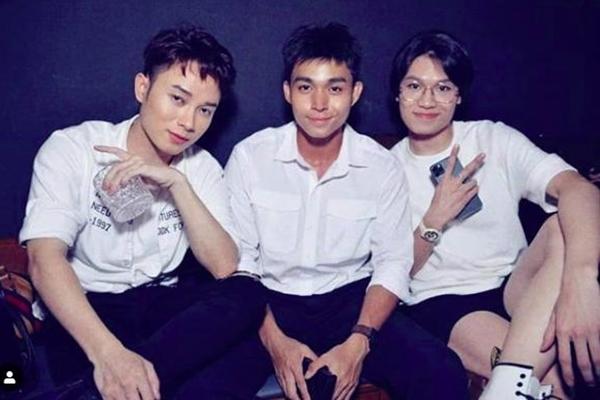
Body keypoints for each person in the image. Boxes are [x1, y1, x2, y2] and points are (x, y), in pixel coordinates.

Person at [177, 23, 469, 400]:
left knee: (441, 372)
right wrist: (275, 342)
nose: (319, 103)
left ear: (355, 93)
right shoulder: (251, 157)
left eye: (334, 88)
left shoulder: (380, 166)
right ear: (287, 92)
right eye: (305, 87)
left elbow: (393, 262)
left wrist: (359, 341)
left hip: (350, 303)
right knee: (198, 388)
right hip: (264, 304)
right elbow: (239, 263)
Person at [19, 26, 266, 399]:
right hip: (87, 308)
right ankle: (119, 379)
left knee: (248, 295)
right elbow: (43, 260)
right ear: (142, 88)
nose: (189, 122)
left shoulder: (201, 167)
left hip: (159, 310)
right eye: (177, 98)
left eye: (205, 110)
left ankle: (93, 391)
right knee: (233, 363)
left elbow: (224, 266)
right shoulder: (73, 148)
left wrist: (177, 184)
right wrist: (109, 356)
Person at [389, 31, 600, 399]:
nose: (427, 100)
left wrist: (581, 282)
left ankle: (504, 389)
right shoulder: (385, 169)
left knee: (561, 225)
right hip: (444, 300)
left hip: (515, 286)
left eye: (443, 87)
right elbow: (393, 273)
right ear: (398, 93)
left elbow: (579, 189)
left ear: (458, 96)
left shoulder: (492, 139)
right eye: (414, 86)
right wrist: (434, 219)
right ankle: (511, 385)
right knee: (555, 385)